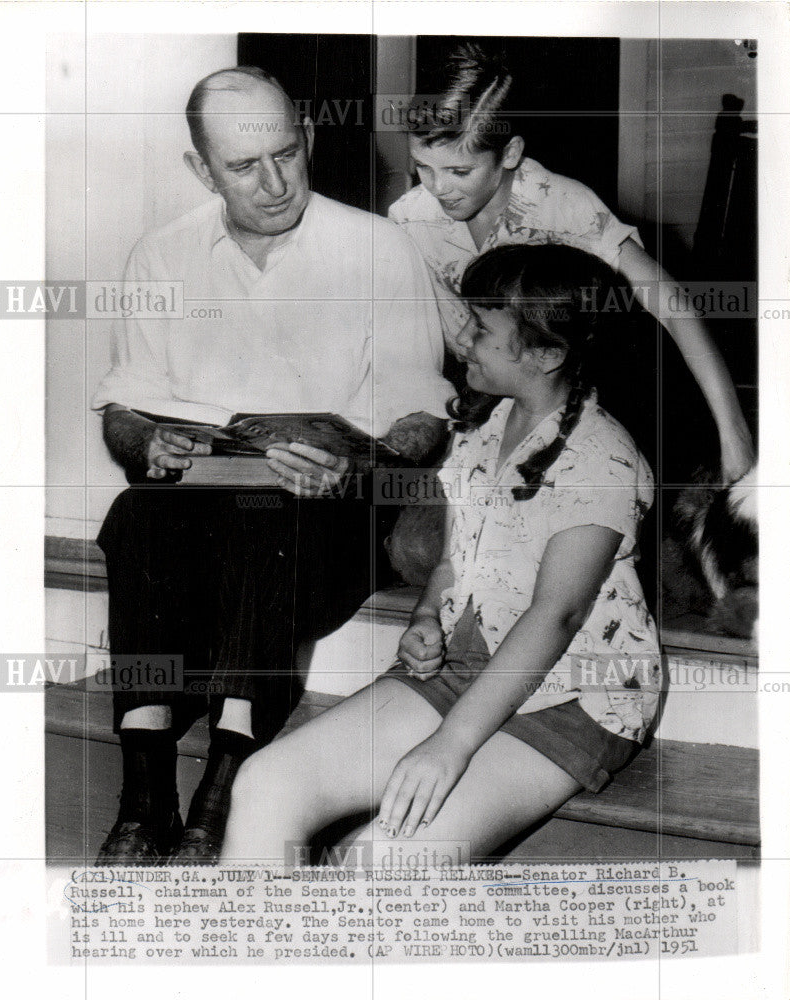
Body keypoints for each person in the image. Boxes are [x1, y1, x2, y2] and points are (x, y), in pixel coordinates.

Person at [92, 66, 453, 864]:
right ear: (201, 170)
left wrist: (354, 459)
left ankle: (225, 776)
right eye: (243, 167)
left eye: (286, 154)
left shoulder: (377, 249)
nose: (274, 182)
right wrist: (146, 443)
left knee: (269, 513)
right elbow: (123, 408)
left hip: (338, 510)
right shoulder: (163, 255)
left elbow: (423, 425)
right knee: (135, 514)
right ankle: (145, 788)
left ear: (308, 138)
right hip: (206, 506)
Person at [221, 243, 661, 865]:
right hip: (467, 662)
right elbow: (460, 558)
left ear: (547, 354)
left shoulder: (602, 460)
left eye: (482, 328)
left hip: (574, 694)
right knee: (266, 785)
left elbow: (555, 615)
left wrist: (449, 745)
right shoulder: (484, 428)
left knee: (384, 863)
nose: (463, 337)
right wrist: (427, 616)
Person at [388, 42, 754, 484]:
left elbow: (673, 307)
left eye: (459, 171)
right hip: (475, 397)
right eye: (423, 167)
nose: (438, 187)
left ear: (509, 153)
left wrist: (734, 438)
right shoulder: (409, 217)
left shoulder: (561, 205)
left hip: (577, 395)